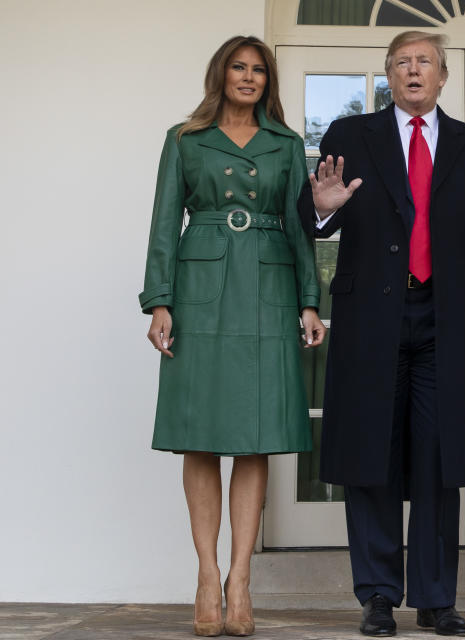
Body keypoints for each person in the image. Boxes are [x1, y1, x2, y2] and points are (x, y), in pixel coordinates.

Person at [296, 31, 465, 637]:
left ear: (444, 76)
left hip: (444, 319)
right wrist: (322, 209)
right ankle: (376, 595)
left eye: (425, 62)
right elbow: (317, 216)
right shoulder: (350, 136)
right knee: (370, 451)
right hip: (372, 318)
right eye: (402, 62)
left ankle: (434, 598)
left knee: (437, 459)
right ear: (388, 75)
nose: (414, 70)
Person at [140, 35, 324, 637]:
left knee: (255, 437)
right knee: (200, 433)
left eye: (259, 71)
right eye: (239, 68)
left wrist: (309, 300)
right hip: (200, 290)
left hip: (268, 288)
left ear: (268, 82)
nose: (248, 78)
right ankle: (205, 574)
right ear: (221, 75)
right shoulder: (184, 139)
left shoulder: (287, 144)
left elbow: (302, 229)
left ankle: (240, 578)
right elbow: (165, 221)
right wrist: (160, 301)